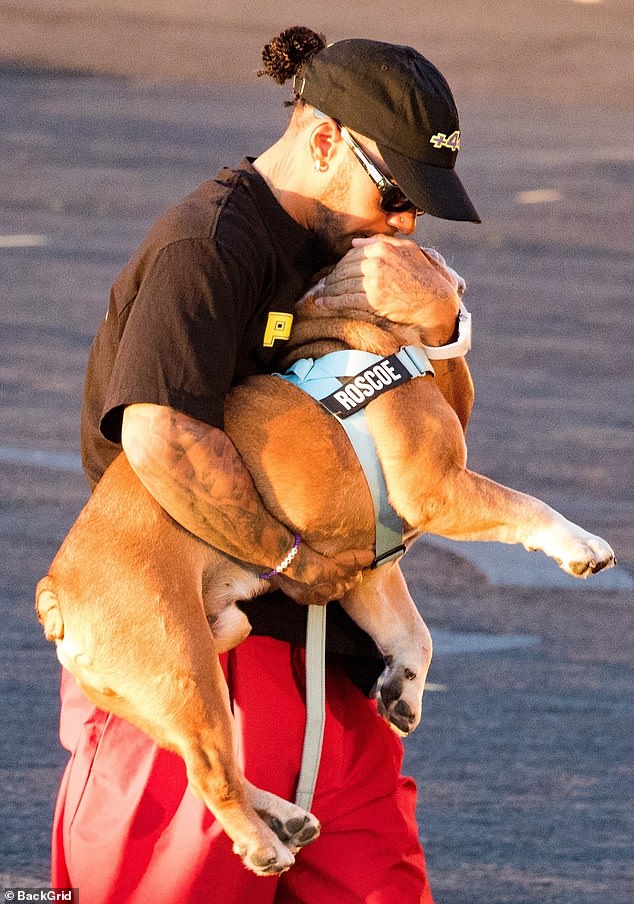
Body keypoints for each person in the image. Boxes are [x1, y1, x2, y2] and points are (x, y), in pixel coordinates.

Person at [51, 26, 480, 904]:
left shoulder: (355, 258)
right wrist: (294, 563)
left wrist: (442, 325)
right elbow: (162, 440)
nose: (403, 222)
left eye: (419, 205)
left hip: (339, 681)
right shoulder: (205, 248)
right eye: (395, 190)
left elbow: (433, 453)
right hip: (200, 666)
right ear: (324, 139)